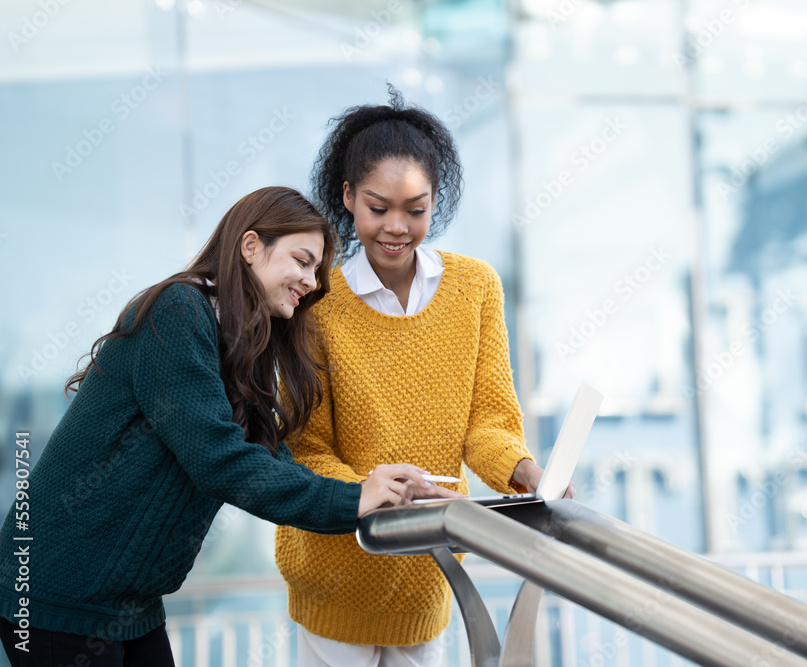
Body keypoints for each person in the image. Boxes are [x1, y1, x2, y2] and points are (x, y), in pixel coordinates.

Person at [0, 186, 459, 667]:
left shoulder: (240, 347)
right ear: (250, 246)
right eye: (302, 261)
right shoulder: (178, 311)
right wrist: (353, 500)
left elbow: (269, 458)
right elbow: (219, 460)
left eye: (317, 271)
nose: (310, 281)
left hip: (127, 604)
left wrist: (376, 493)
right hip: (58, 595)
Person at [274, 86, 570, 666]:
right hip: (335, 572)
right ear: (348, 198)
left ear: (436, 201)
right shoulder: (317, 298)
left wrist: (523, 469)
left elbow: (488, 423)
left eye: (417, 209)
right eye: (378, 207)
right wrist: (373, 493)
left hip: (429, 567)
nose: (397, 228)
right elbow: (304, 448)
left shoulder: (475, 287)